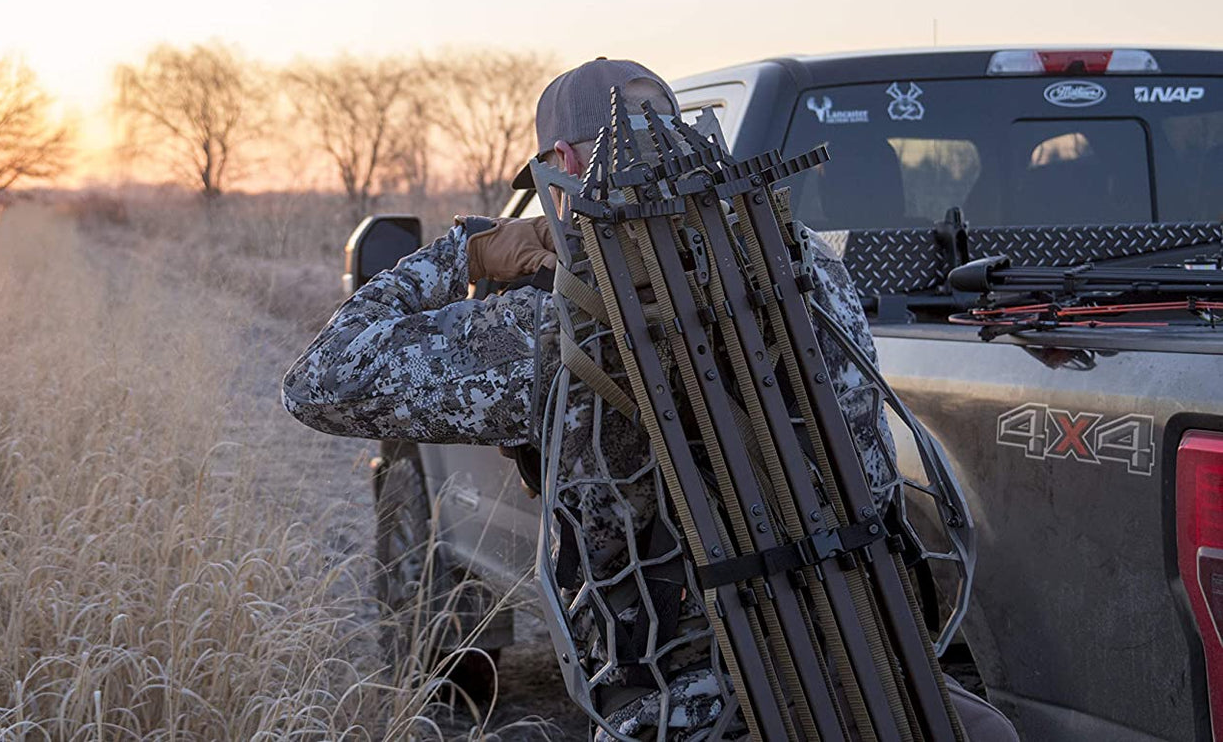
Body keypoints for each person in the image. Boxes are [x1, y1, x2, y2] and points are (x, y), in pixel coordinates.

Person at [282, 58, 1016, 741]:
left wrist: (466, 251)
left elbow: (316, 381)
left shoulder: (548, 328)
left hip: (682, 713)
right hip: (874, 679)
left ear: (563, 167)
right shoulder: (811, 275)